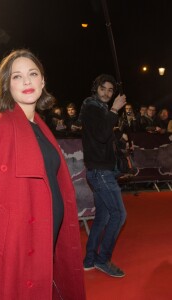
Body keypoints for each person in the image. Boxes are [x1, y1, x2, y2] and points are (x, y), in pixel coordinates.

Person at [0, 49, 85, 299]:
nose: (27, 81)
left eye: (32, 74)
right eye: (17, 76)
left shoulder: (40, 125)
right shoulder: (1, 128)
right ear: (6, 86)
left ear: (42, 82)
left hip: (45, 239)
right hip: (18, 248)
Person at [79, 74, 127, 278]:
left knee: (103, 217)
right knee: (119, 214)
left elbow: (102, 135)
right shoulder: (91, 107)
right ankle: (102, 259)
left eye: (110, 90)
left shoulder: (99, 110)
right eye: (103, 89)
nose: (107, 93)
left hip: (100, 171)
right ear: (95, 89)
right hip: (100, 173)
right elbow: (100, 134)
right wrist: (115, 109)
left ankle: (90, 260)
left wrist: (119, 136)